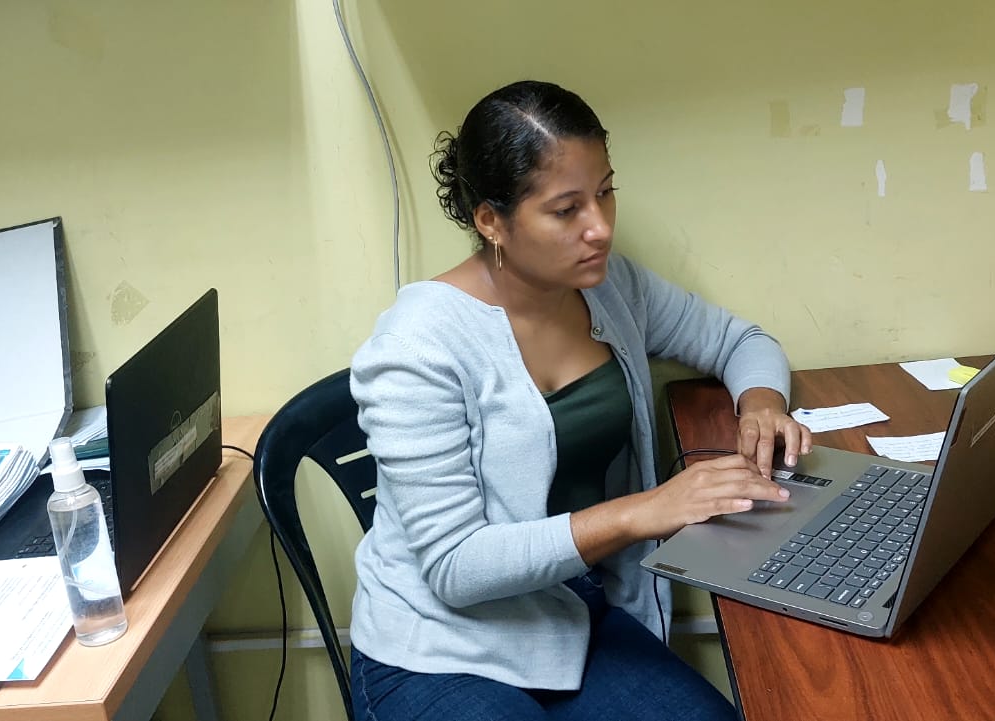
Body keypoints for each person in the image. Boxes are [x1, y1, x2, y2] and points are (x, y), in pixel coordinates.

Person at [347, 80, 813, 721]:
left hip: (571, 612)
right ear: (491, 221)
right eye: (567, 210)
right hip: (443, 647)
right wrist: (644, 512)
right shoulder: (415, 347)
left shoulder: (610, 288)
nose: (600, 228)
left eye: (605, 192)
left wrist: (761, 404)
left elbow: (740, 341)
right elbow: (455, 566)